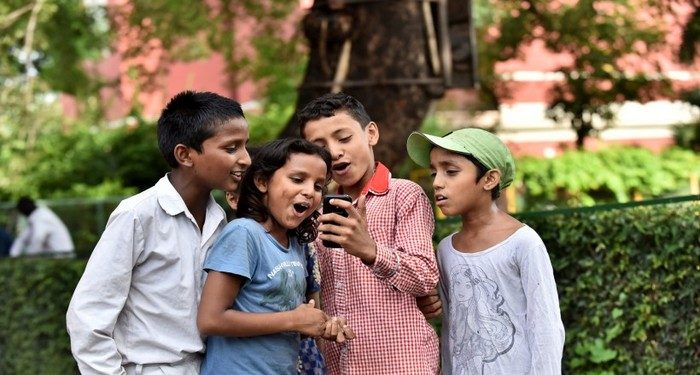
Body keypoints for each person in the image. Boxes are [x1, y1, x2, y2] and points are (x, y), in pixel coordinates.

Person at [66, 90, 252, 374]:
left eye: (245, 146)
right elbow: (88, 317)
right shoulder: (137, 216)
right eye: (231, 148)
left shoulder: (222, 221)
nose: (246, 159)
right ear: (185, 155)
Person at [297, 92, 440, 374]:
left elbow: (425, 275)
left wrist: (371, 251)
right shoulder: (313, 211)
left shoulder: (403, 195)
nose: (335, 151)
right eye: (320, 146)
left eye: (344, 138)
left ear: (371, 133)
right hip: (339, 363)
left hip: (402, 362)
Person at [406, 127, 565, 374]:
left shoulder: (523, 242)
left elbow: (546, 325)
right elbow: (453, 330)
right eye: (434, 172)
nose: (437, 182)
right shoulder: (446, 250)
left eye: (451, 171)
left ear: (489, 179)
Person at [197, 138, 354, 374]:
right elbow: (211, 319)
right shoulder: (244, 233)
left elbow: (279, 314)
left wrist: (320, 324)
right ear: (262, 182)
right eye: (297, 179)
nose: (309, 191)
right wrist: (295, 320)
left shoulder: (296, 245)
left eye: (318, 186)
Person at [9, 196, 74, 258]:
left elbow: (38, 238)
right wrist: (13, 255)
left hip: (63, 257)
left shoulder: (41, 217)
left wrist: (29, 257)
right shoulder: (37, 216)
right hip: (57, 256)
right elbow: (22, 238)